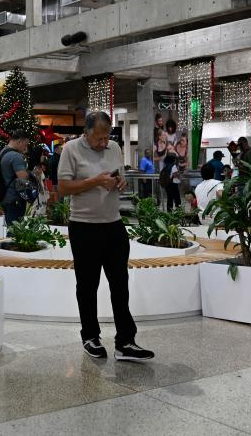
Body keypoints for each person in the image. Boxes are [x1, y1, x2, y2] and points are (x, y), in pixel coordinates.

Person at [58, 111, 154, 362]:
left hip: (114, 224)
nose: (104, 143)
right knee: (87, 285)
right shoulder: (71, 149)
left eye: (106, 137)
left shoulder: (114, 148)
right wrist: (94, 181)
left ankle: (125, 341)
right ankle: (90, 336)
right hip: (83, 226)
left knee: (120, 284)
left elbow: (117, 176)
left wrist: (120, 182)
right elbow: (64, 188)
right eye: (99, 138)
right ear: (86, 133)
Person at [0, 131, 31, 226]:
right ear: (20, 141)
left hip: (4, 196)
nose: (25, 148)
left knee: (10, 226)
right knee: (16, 229)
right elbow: (23, 177)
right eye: (25, 144)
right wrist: (31, 173)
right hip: (15, 198)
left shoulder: (3, 151)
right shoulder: (15, 156)